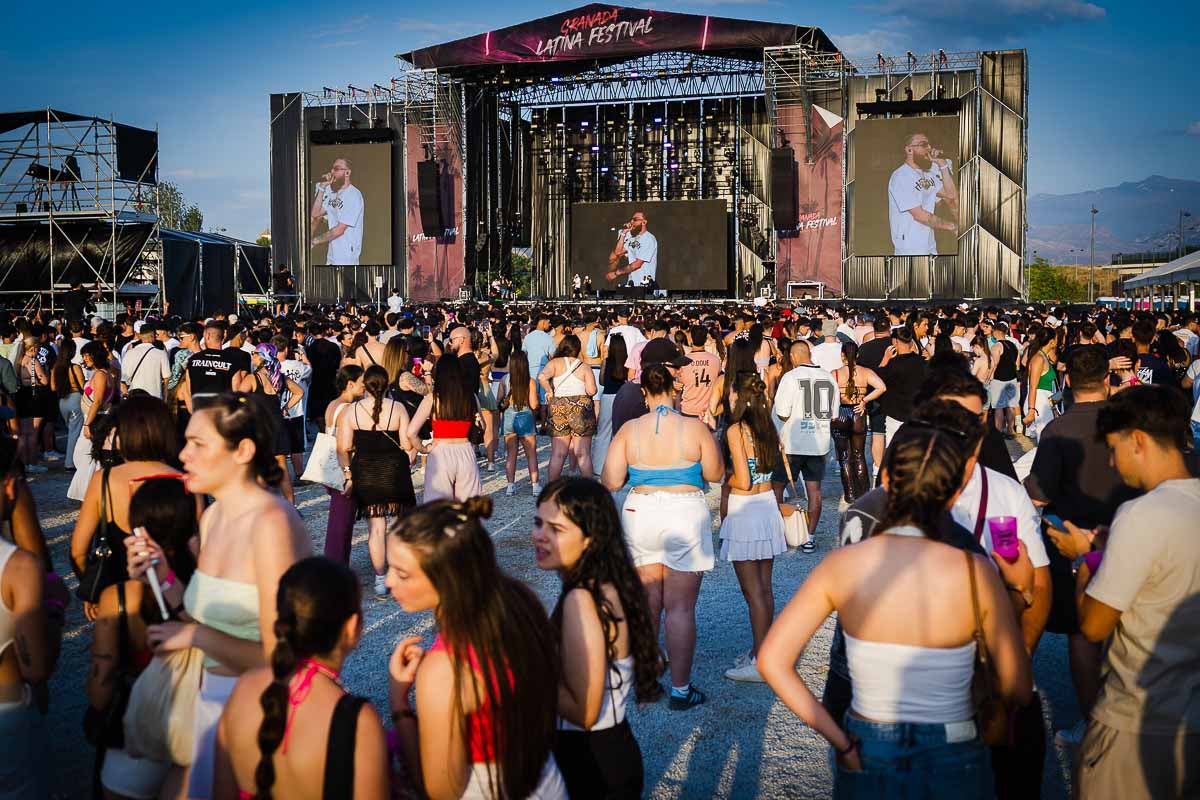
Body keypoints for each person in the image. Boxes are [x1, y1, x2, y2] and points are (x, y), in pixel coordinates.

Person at [758, 400, 1031, 798]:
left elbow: (772, 661)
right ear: (954, 491)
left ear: (886, 476)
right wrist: (1019, 591)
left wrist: (842, 741)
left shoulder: (844, 566)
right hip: (955, 742)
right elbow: (1019, 688)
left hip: (870, 740)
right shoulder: (975, 571)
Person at [124, 394, 310, 798]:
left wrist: (193, 638)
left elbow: (283, 658)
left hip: (259, 712)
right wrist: (163, 577)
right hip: (209, 702)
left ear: (242, 451)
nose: (182, 453)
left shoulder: (271, 523)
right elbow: (207, 618)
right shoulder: (213, 517)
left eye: (198, 444)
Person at [1046, 385, 1200, 799]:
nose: (1112, 463)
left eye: (1114, 449)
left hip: (1135, 721)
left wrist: (1083, 561)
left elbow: (1094, 626)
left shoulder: (1141, 513)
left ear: (1138, 440)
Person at [385, 497, 566, 799]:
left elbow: (442, 791)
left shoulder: (445, 669)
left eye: (402, 574)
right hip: (545, 777)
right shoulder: (518, 601)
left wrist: (399, 703)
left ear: (449, 579)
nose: (389, 582)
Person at [1024, 345, 1139, 749]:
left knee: (1081, 633)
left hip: (1073, 542)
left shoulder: (1058, 429)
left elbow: (1038, 496)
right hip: (1130, 536)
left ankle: (1094, 724)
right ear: (1108, 378)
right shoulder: (1128, 421)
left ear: (1068, 380)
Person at [212, 557, 390, 799]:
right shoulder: (358, 720)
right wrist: (400, 707)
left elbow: (221, 793)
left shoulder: (243, 688)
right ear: (352, 627)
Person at [601, 364, 723, 710]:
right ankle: (681, 690)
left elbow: (610, 480)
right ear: (675, 388)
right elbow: (715, 472)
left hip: (641, 510)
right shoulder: (693, 427)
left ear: (644, 393)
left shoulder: (630, 429)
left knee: (647, 602)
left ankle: (646, 677)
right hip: (685, 508)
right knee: (681, 608)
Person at [532, 478, 661, 798]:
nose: (539, 536)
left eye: (556, 529)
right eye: (538, 523)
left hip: (589, 760)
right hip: (608, 751)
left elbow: (584, 711)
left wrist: (523, 669)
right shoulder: (607, 584)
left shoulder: (583, 599)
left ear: (590, 538)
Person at [90, 477, 197, 800]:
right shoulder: (205, 589)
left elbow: (99, 690)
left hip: (133, 740)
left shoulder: (118, 598)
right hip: (196, 731)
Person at [70, 395, 179, 618]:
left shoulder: (105, 480)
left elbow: (78, 552)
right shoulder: (184, 481)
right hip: (174, 594)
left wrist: (96, 591)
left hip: (119, 595)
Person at [718, 373, 785, 683]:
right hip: (767, 505)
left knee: (752, 591)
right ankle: (763, 650)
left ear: (741, 399)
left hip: (745, 511)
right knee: (765, 588)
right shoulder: (768, 427)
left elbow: (742, 480)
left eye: (732, 395)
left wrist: (723, 478)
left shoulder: (736, 430)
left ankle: (761, 660)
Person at [337, 366, 416, 598]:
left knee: (376, 529)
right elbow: (407, 443)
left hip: (367, 470)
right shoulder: (398, 408)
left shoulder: (352, 411)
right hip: (394, 469)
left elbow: (343, 447)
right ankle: (401, 572)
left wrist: (348, 475)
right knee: (399, 525)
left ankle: (380, 579)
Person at [772, 339, 836, 551]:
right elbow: (833, 414)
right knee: (814, 490)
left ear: (792, 356)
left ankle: (779, 533)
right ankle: (809, 536)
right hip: (819, 442)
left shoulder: (790, 378)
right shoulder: (828, 377)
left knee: (777, 486)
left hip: (792, 442)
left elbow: (781, 413)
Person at [407, 355, 483, 503]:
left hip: (440, 451)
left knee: (438, 509)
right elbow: (483, 427)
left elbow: (411, 432)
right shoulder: (471, 397)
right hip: (465, 449)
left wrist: (423, 448)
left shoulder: (433, 398)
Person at [239, 343, 304, 504]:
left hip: (260, 425)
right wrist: (285, 407)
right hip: (277, 423)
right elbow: (299, 392)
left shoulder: (252, 378)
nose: (252, 356)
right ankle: (290, 504)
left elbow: (237, 398)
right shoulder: (279, 377)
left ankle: (261, 505)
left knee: (257, 466)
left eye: (254, 353)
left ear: (262, 356)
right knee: (282, 467)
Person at [830, 341, 886, 504]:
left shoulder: (835, 374)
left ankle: (849, 494)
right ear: (858, 356)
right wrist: (864, 400)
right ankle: (863, 493)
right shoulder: (865, 372)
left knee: (844, 457)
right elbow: (881, 387)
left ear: (842, 355)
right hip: (858, 413)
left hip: (841, 412)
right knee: (859, 454)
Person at [887, 131, 959, 256]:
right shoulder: (901, 176)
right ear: (909, 150)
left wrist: (942, 165)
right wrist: (951, 226)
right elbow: (919, 215)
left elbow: (951, 195)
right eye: (924, 145)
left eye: (929, 144)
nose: (929, 148)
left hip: (929, 242)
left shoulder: (927, 174)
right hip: (909, 246)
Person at [539, 334, 598, 482]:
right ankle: (589, 489)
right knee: (583, 453)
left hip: (558, 405)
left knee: (558, 453)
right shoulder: (583, 366)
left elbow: (541, 377)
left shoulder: (554, 363)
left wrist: (549, 391)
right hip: (580, 407)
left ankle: (551, 488)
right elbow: (591, 391)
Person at [323, 365, 365, 565]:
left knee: (339, 520)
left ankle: (337, 564)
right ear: (350, 384)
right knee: (342, 523)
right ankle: (337, 566)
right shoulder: (348, 408)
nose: (364, 386)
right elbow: (344, 445)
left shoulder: (333, 403)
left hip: (331, 466)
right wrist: (349, 474)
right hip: (343, 467)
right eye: (361, 382)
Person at [498, 350, 540, 496]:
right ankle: (535, 486)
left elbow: (499, 401)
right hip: (525, 415)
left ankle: (510, 486)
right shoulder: (530, 381)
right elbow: (534, 405)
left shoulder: (504, 380)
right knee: (531, 454)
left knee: (511, 454)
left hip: (509, 416)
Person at [310, 157, 364, 266]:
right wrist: (322, 188)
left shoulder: (353, 195)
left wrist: (314, 241)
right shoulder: (333, 193)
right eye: (332, 168)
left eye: (336, 169)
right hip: (332, 255)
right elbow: (315, 214)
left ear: (347, 172)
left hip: (347, 258)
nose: (332, 171)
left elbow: (339, 230)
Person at [591, 334, 627, 474]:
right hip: (623, 396)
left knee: (603, 432)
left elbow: (601, 381)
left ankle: (599, 466)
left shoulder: (606, 361)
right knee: (621, 432)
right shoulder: (627, 361)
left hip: (607, 396)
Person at [14, 336, 49, 472]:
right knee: (34, 432)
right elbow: (44, 380)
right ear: (33, 348)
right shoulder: (34, 362)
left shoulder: (20, 361)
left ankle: (24, 463)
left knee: (23, 433)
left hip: (22, 396)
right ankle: (33, 463)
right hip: (35, 396)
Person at [50, 338, 86, 471]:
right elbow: (82, 385)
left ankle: (71, 460)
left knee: (71, 429)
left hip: (62, 401)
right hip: (76, 398)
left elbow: (53, 387)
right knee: (75, 432)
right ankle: (70, 462)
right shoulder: (75, 367)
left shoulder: (55, 367)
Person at [1022, 326, 1059, 440]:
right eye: (1056, 339)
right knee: (1045, 440)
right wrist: (1031, 410)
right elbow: (1033, 387)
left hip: (1047, 402)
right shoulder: (1038, 358)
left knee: (1048, 440)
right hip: (1039, 403)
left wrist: (1055, 408)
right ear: (1052, 341)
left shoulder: (1044, 356)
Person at [605, 211, 658, 285]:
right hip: (632, 282)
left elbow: (637, 264)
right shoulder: (633, 238)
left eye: (635, 219)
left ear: (644, 222)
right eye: (631, 219)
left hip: (645, 283)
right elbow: (618, 252)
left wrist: (617, 273)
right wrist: (624, 233)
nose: (631, 221)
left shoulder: (649, 239)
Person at [120, 325, 171, 400]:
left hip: (134, 397)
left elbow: (122, 381)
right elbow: (166, 379)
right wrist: (165, 399)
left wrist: (126, 397)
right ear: (152, 336)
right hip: (155, 398)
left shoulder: (129, 353)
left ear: (140, 336)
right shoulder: (161, 353)